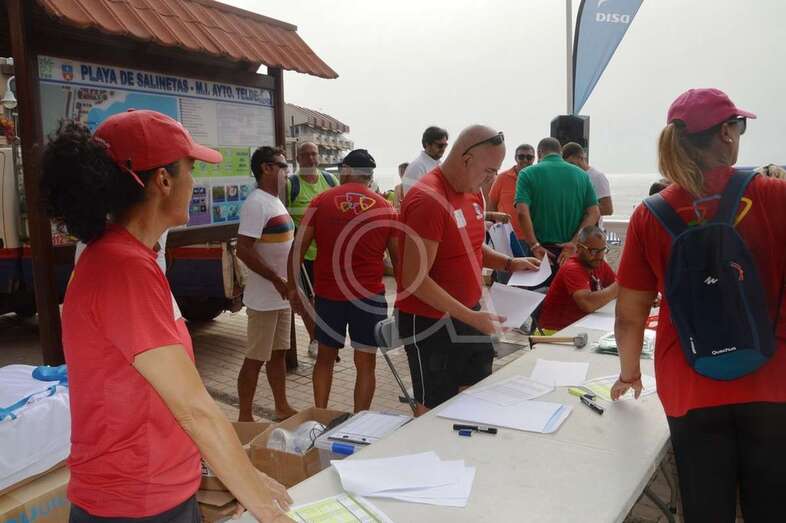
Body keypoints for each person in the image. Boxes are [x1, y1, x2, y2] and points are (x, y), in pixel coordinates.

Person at [39, 111, 292, 522]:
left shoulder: (129, 257)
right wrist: (265, 506)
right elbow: (193, 407)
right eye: (190, 169)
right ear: (162, 180)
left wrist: (249, 478)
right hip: (134, 502)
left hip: (160, 489)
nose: (194, 183)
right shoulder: (123, 269)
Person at [610, 88, 786, 522]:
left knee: (707, 507)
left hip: (690, 380)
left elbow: (629, 315)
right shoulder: (776, 197)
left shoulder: (650, 214)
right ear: (726, 134)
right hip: (773, 379)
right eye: (738, 126)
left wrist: (629, 373)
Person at [396, 125, 540, 416]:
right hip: (431, 322)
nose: (491, 180)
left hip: (469, 314)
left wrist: (509, 263)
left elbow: (471, 247)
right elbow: (415, 280)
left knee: (477, 395)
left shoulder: (473, 194)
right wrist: (472, 317)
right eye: (488, 171)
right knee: (434, 408)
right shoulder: (429, 199)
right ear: (466, 159)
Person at [288, 149, 398, 412]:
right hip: (369, 297)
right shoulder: (386, 208)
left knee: (324, 358)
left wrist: (293, 288)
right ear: (369, 176)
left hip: (329, 295)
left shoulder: (321, 201)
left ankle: (321, 416)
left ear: (346, 171)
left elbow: (298, 247)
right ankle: (360, 421)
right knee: (366, 363)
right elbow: (400, 263)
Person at [236, 146, 297, 423]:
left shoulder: (275, 201)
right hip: (264, 298)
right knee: (255, 359)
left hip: (280, 297)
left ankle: (282, 406)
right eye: (282, 166)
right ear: (266, 168)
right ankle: (245, 417)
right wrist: (275, 278)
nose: (286, 171)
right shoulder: (256, 203)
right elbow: (244, 250)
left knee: (278, 356)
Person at [286, 142, 339, 358]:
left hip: (327, 254)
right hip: (304, 255)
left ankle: (325, 339)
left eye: (314, 154)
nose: (310, 158)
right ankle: (316, 339)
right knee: (307, 301)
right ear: (298, 158)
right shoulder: (291, 185)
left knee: (325, 300)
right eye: (305, 155)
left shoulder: (329, 180)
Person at [515, 137, 600, 266]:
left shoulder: (527, 173)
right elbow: (594, 213)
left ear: (539, 153)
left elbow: (522, 212)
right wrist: (574, 243)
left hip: (541, 251)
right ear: (560, 153)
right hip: (571, 252)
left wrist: (534, 245)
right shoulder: (582, 175)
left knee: (539, 286)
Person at [538, 225, 617, 332]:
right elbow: (587, 303)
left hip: (582, 326)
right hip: (554, 332)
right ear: (579, 248)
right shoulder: (572, 268)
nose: (599, 256)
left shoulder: (598, 262)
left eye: (603, 250)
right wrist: (621, 285)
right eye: (593, 251)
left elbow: (621, 291)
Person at [488, 143, 535, 243]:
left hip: (531, 238)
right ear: (515, 158)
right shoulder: (502, 178)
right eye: (521, 157)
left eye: (529, 157)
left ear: (534, 159)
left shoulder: (537, 178)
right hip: (506, 236)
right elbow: (492, 205)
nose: (525, 160)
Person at [562, 142, 613, 217]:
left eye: (571, 163)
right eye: (565, 165)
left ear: (581, 157)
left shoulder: (597, 177)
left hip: (591, 227)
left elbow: (608, 209)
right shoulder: (568, 176)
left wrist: (577, 208)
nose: (569, 167)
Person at [402, 126, 448, 194]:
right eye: (440, 145)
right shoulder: (416, 167)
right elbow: (412, 197)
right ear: (427, 144)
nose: (443, 149)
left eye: (445, 145)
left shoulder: (440, 165)